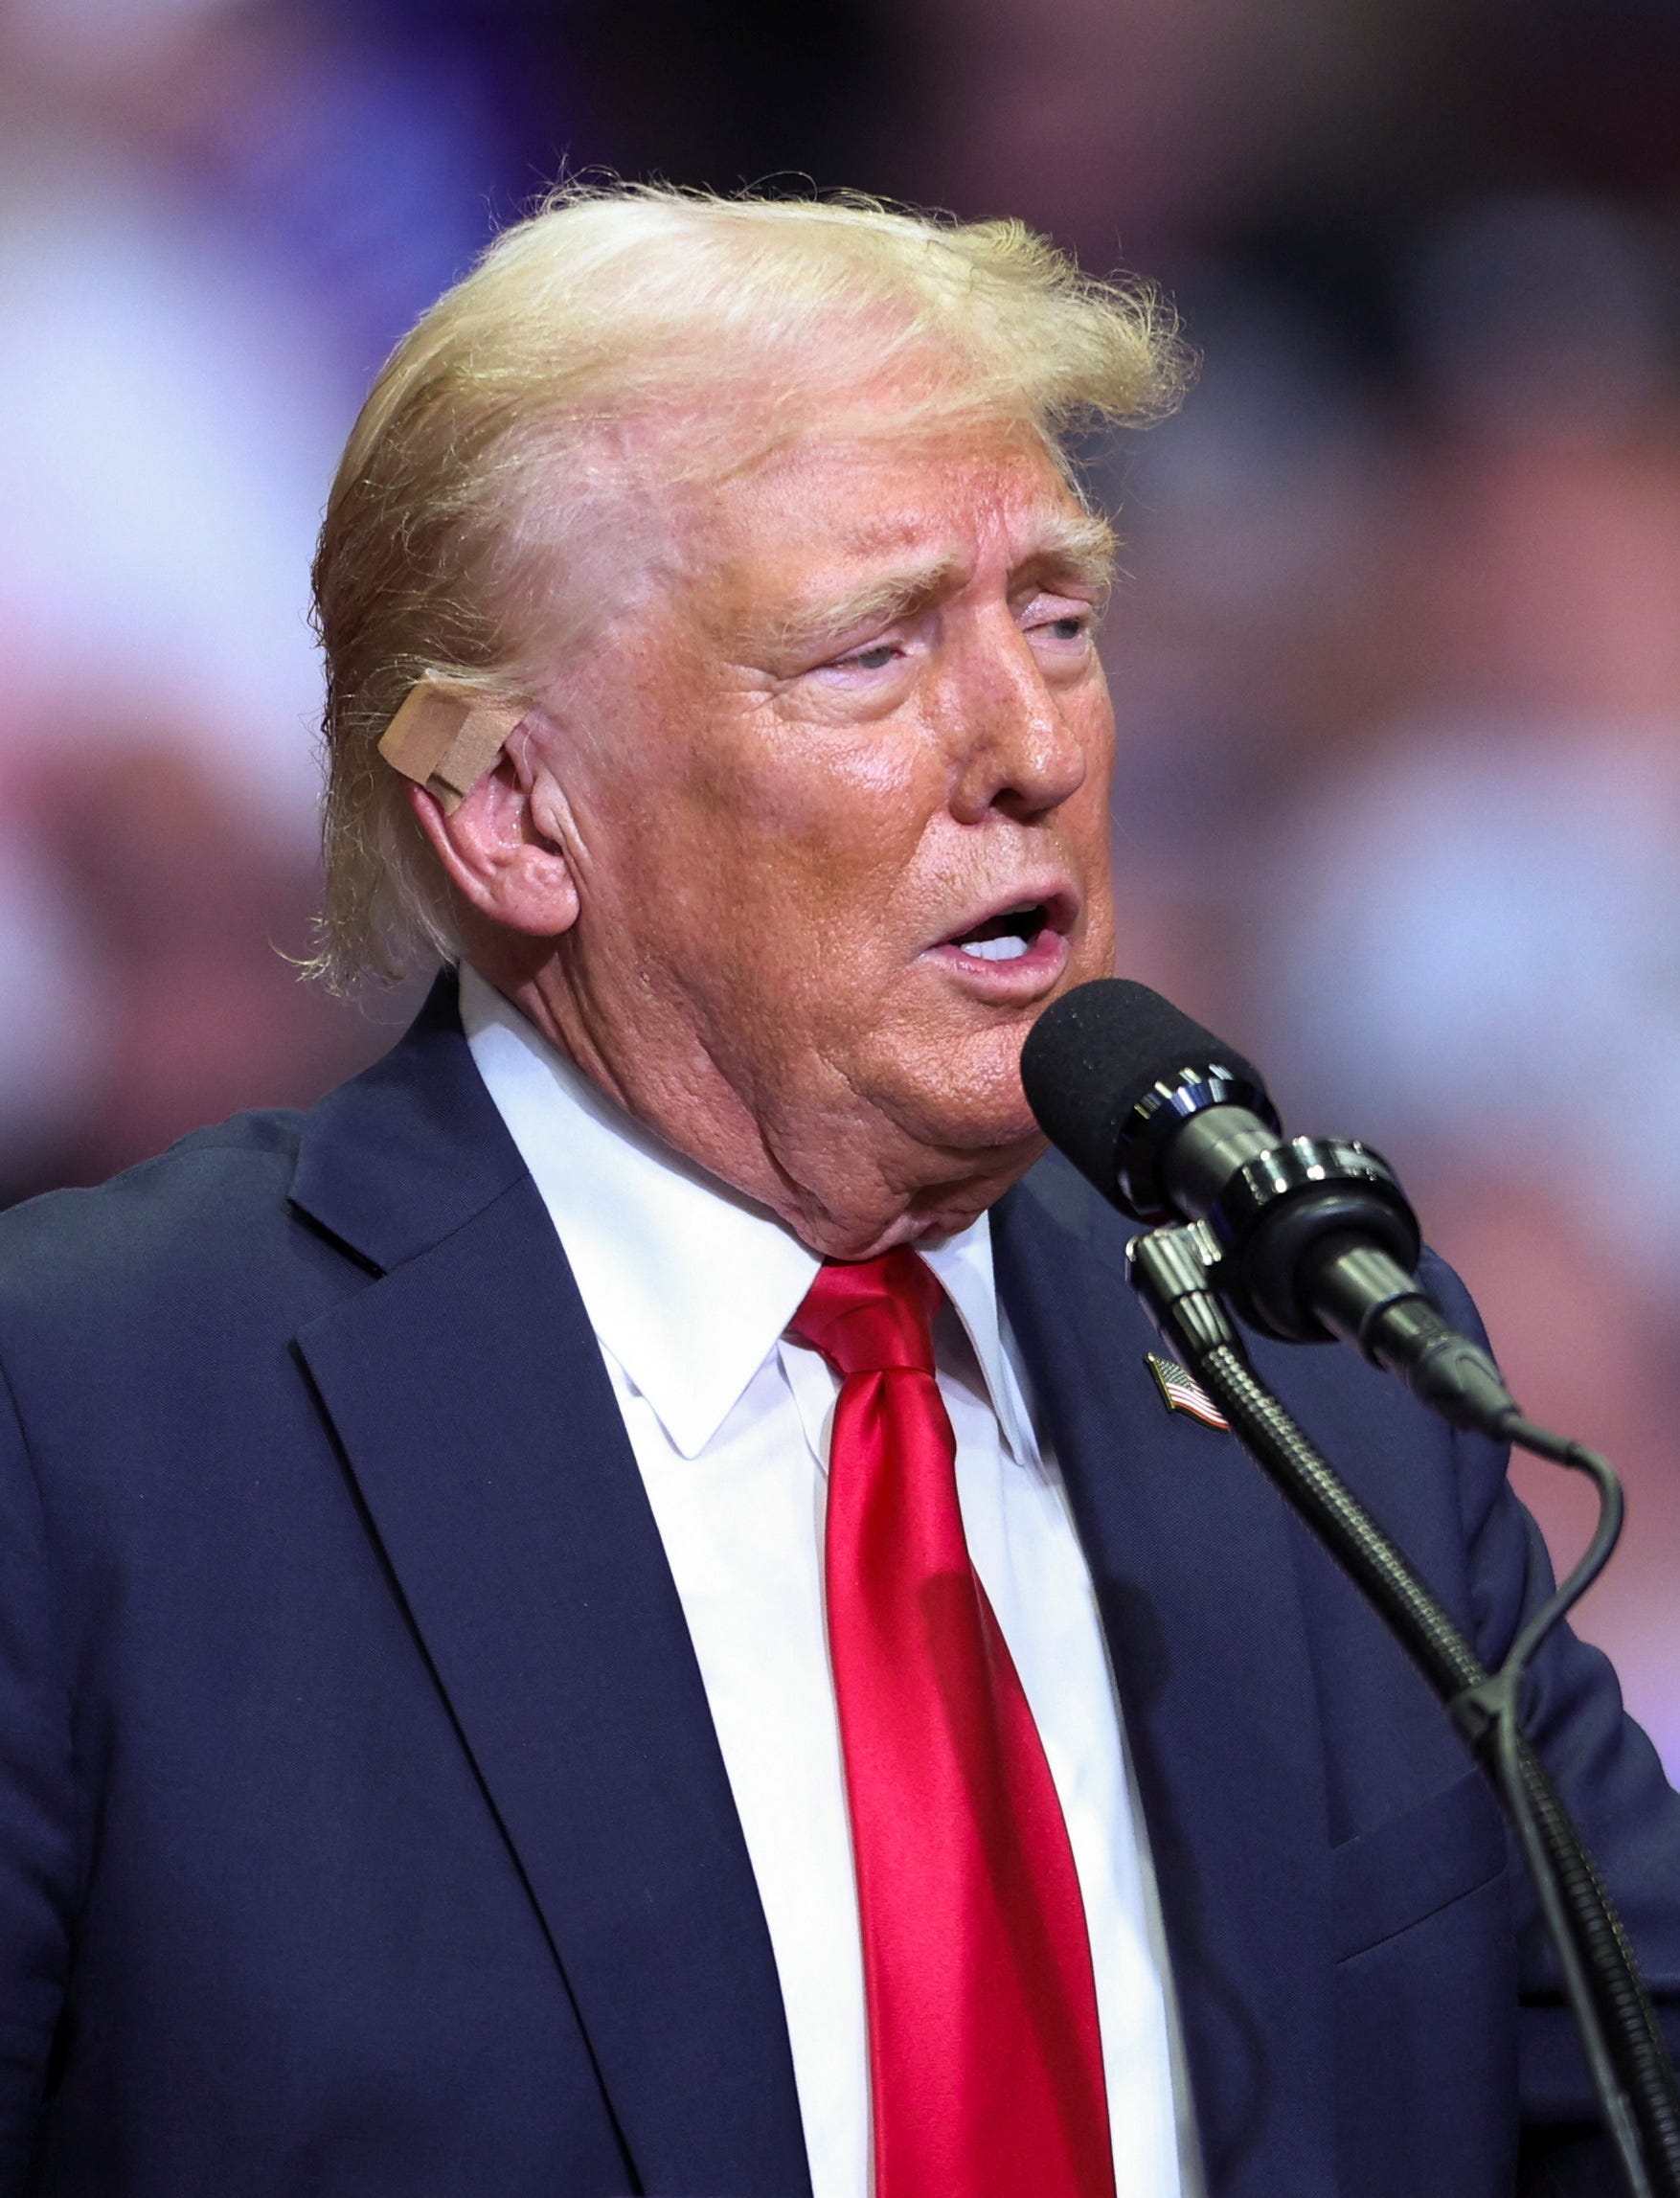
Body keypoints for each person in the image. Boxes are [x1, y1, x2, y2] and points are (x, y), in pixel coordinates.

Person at [0, 185, 1675, 2198]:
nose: (1029, 739)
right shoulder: (88, 1425)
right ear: (523, 814)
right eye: (869, 652)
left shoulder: (1320, 1377)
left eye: (1057, 616)